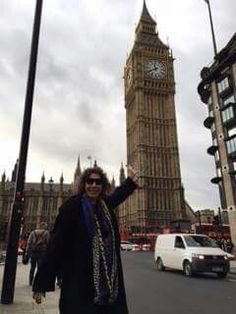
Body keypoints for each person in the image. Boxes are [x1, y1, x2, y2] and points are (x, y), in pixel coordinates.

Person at [32, 165, 138, 314]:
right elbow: (56, 244)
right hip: (79, 280)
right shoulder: (72, 207)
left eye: (98, 182)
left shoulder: (105, 205)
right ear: (83, 184)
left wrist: (130, 181)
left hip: (107, 281)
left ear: (103, 185)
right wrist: (41, 282)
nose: (93, 185)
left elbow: (118, 195)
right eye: (89, 182)